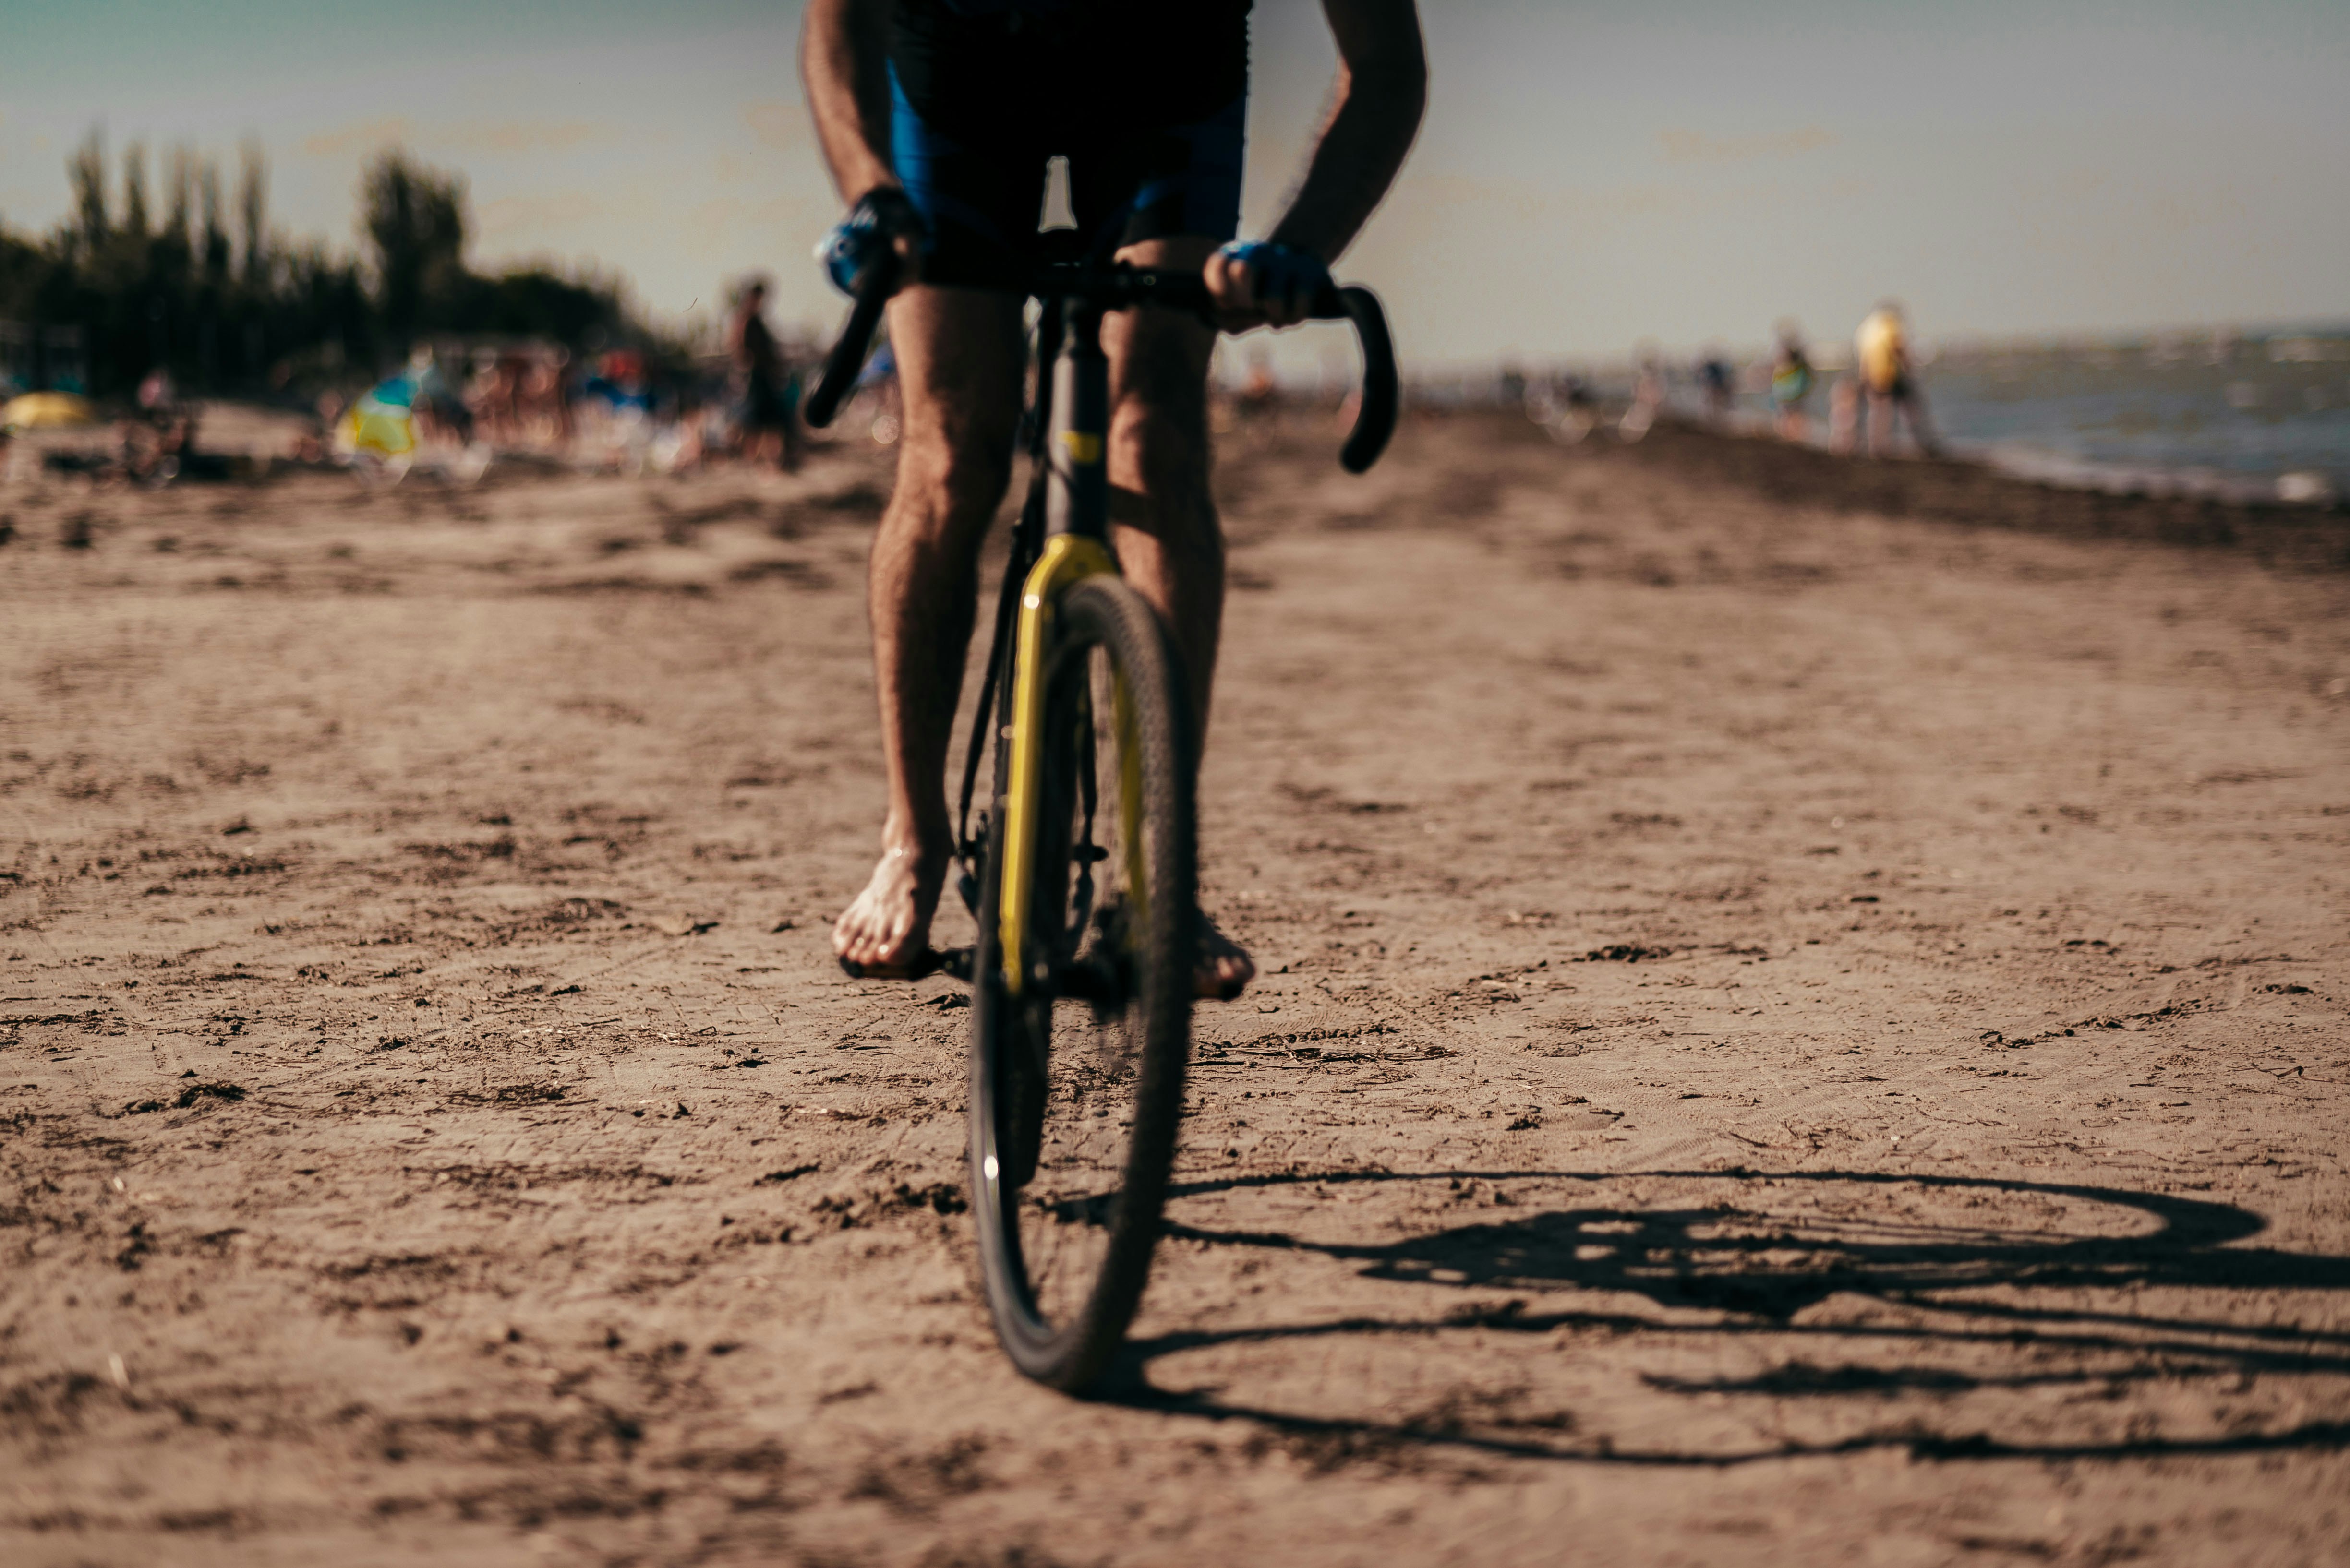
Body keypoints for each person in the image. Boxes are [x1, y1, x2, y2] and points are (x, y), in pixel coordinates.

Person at [806, 0, 1426, 995]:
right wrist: (871, 191)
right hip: (955, 64)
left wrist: (1300, 245)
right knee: (951, 451)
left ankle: (1157, 879)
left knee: (1153, 438)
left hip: (1161, 70)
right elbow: (835, 22)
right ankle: (913, 840)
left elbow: (1386, 63)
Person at [729, 277, 799, 470]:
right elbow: (741, 350)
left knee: (768, 422)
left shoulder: (754, 320)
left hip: (763, 377)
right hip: (756, 378)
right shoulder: (747, 321)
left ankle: (769, 461)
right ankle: (757, 462)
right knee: (757, 422)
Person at [1854, 300, 1940, 457]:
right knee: (1911, 407)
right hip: (1890, 374)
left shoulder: (1866, 328)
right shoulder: (1889, 323)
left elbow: (1864, 356)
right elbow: (1897, 346)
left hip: (1873, 376)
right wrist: (1909, 366)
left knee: (1880, 409)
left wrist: (1864, 377)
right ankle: (1924, 441)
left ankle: (1877, 444)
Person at [1769, 322, 1814, 442]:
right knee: (1790, 415)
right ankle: (1792, 437)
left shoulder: (1790, 353)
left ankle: (1792, 437)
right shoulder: (1793, 353)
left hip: (1790, 388)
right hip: (1789, 388)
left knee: (1790, 415)